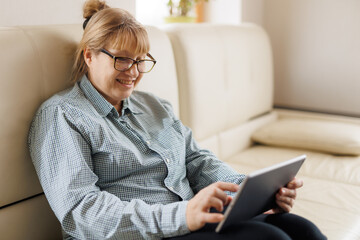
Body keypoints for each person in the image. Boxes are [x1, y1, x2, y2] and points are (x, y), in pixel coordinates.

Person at [28, 0, 327, 239]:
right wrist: (182, 216)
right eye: (122, 58)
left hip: (187, 220)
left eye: (141, 59)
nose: (133, 71)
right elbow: (82, 212)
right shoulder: (62, 115)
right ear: (89, 55)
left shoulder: (155, 106)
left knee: (302, 229)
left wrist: (250, 193)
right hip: (140, 233)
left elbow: (196, 160)